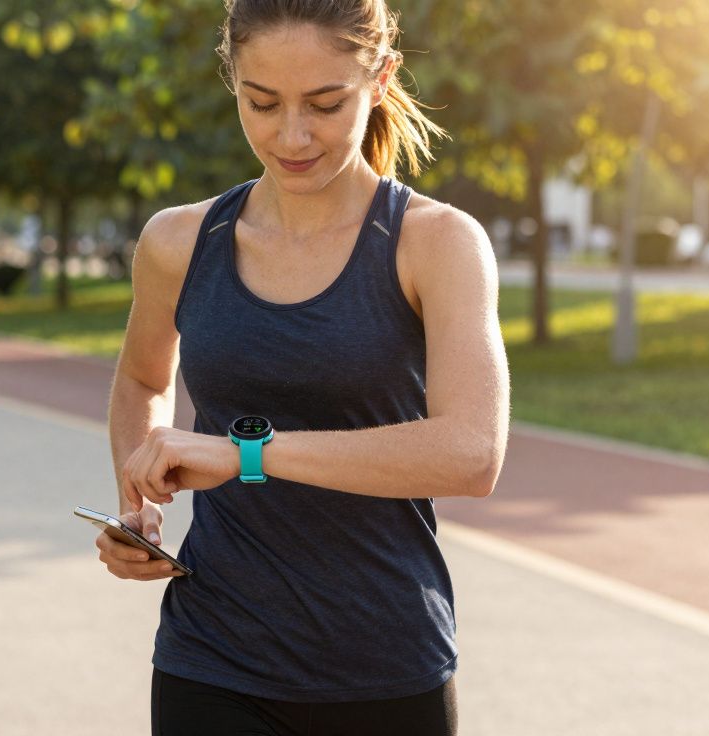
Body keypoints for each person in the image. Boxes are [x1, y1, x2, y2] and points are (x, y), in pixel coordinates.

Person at [97, 2, 510, 734]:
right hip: (210, 662)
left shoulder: (435, 244)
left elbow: (472, 454)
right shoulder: (177, 242)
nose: (290, 136)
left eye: (325, 104)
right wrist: (139, 499)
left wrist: (246, 454)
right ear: (233, 82)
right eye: (261, 103)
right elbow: (142, 378)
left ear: (380, 78)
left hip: (385, 670)